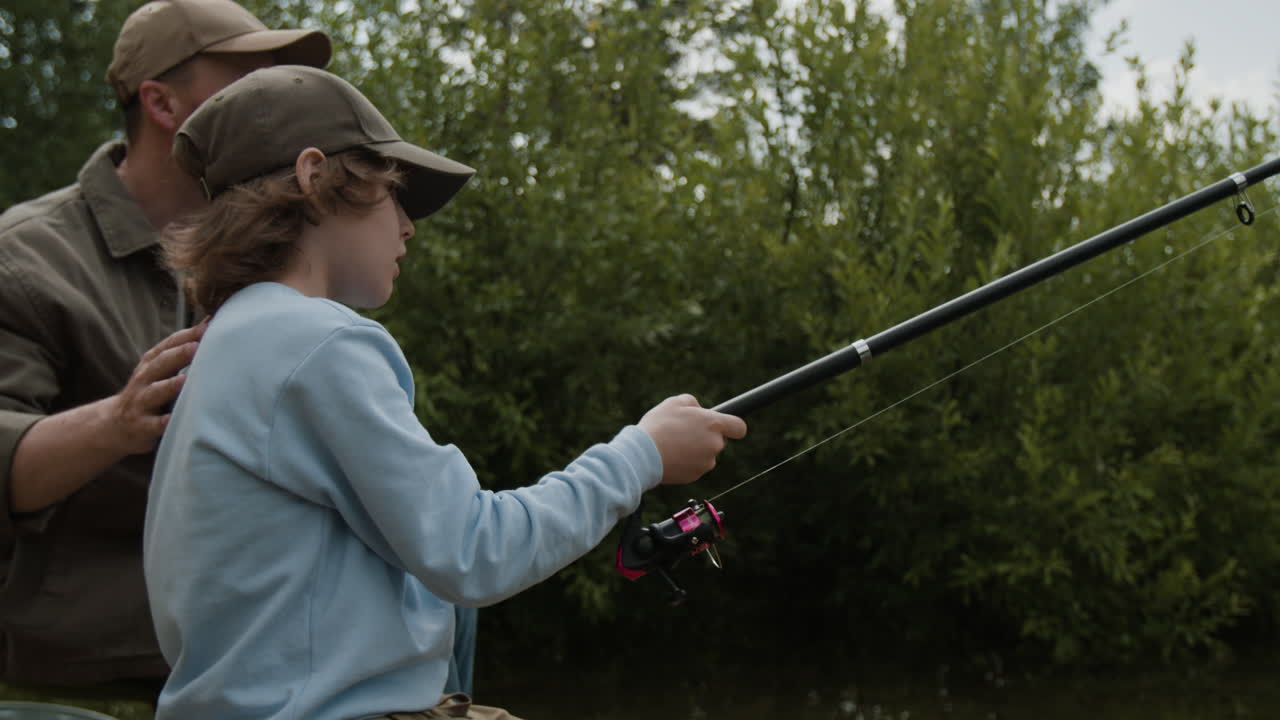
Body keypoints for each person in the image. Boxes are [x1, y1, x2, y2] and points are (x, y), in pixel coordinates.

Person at [145, 64, 748, 720]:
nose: (408, 225)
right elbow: (473, 550)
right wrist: (644, 456)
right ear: (313, 179)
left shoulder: (230, 341)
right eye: (393, 192)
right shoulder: (314, 341)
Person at [0, 0, 335, 696]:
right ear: (160, 101)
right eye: (249, 79)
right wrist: (119, 424)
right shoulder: (25, 259)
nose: (276, 96)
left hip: (258, 645)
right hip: (90, 668)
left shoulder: (272, 255)